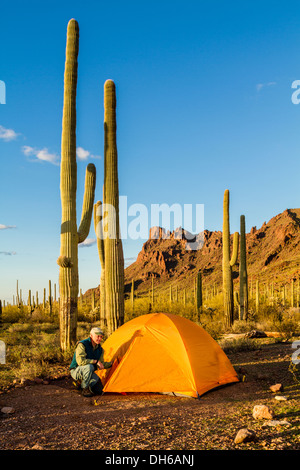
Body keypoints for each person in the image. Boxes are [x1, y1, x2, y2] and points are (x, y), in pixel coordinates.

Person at [69, 327, 112, 397]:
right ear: (91, 335)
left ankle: (81, 384)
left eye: (101, 337)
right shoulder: (82, 344)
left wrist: (111, 364)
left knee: (99, 390)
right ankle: (84, 388)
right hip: (76, 370)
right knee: (89, 366)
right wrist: (95, 361)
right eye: (98, 336)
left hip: (89, 372)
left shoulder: (100, 349)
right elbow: (80, 361)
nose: (100, 339)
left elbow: (101, 364)